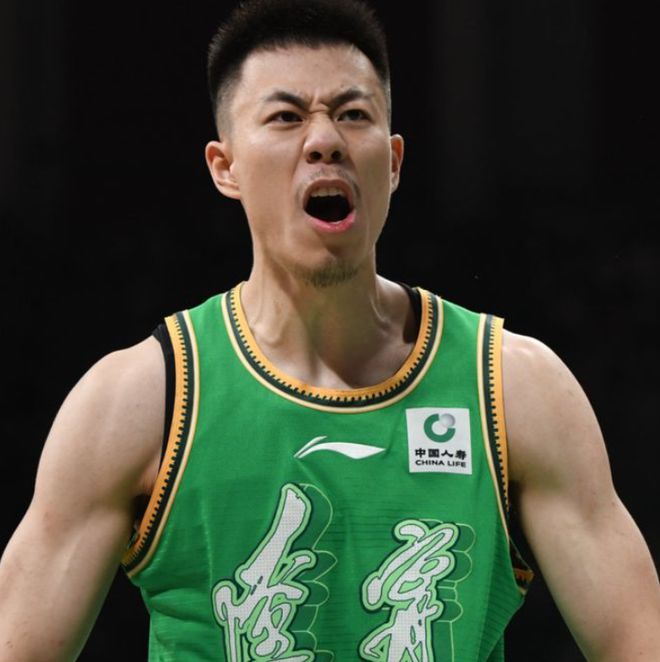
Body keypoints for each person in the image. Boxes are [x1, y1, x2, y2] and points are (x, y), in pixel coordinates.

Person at [1, 0, 659, 659]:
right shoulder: (140, 401)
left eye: (353, 114)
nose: (325, 140)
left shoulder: (513, 388)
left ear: (393, 162)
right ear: (225, 167)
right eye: (286, 117)